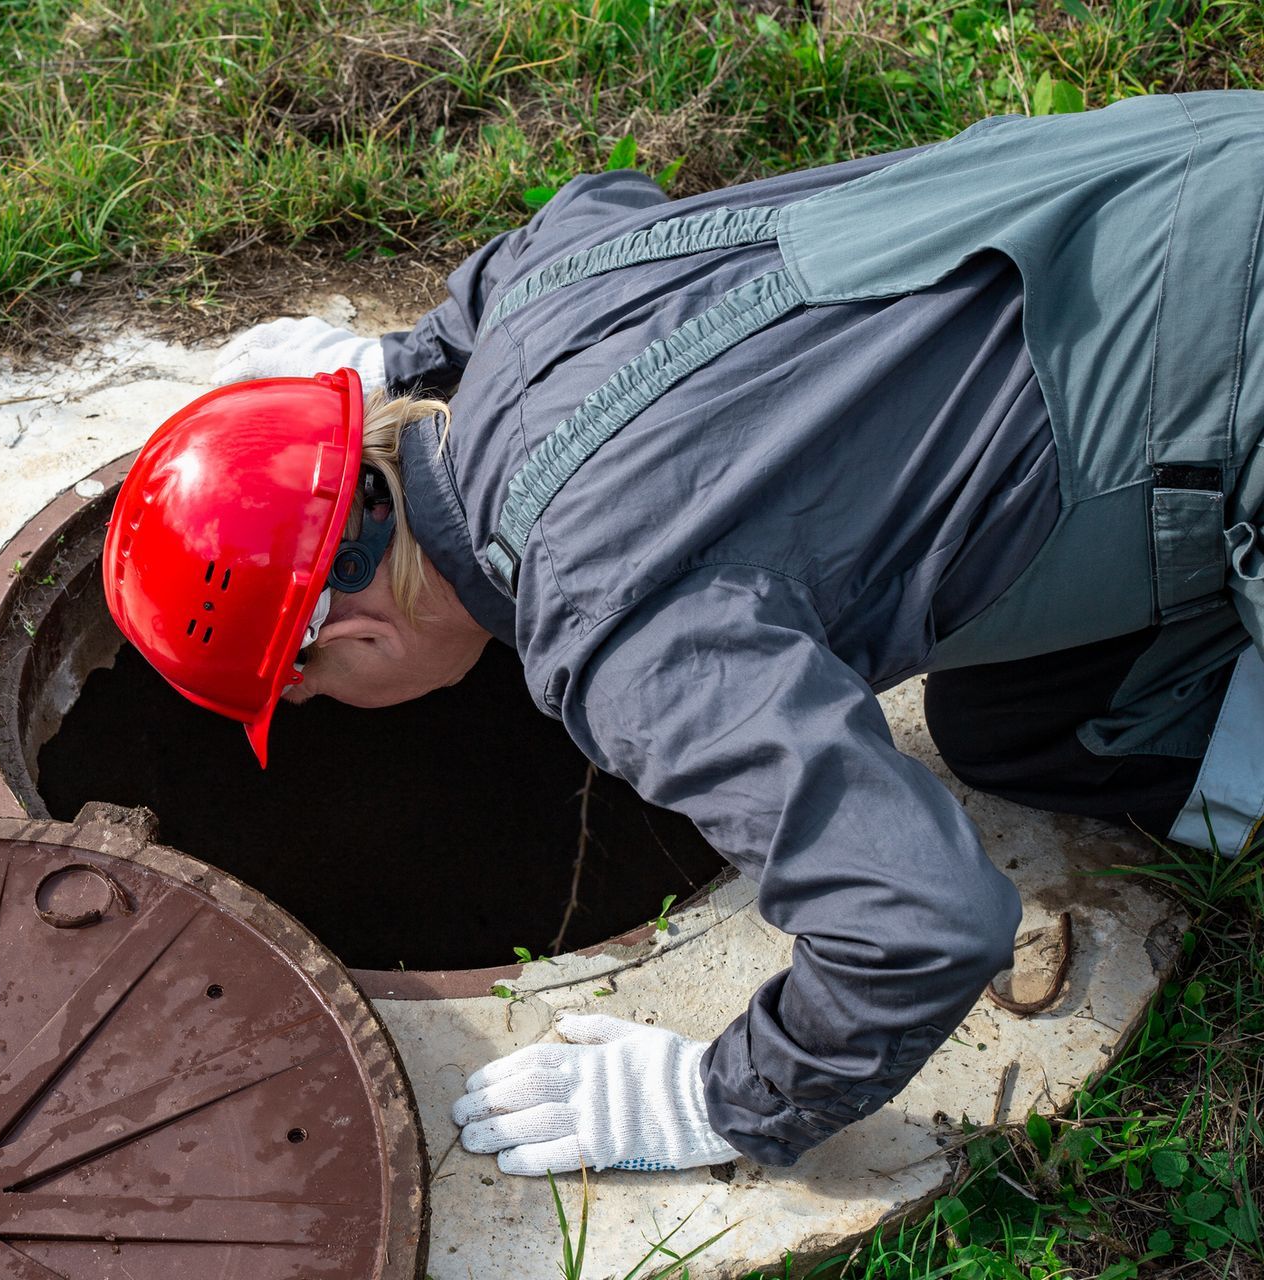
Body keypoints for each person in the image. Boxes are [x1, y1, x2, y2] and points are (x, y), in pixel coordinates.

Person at [101, 92, 1264, 1175]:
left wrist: (712, 1100)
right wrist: (401, 358)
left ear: (342, 630)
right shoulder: (544, 304)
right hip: (1190, 177)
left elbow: (924, 922)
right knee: (1023, 730)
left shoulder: (617, 630)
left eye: (301, 695)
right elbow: (573, 213)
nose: (323, 713)